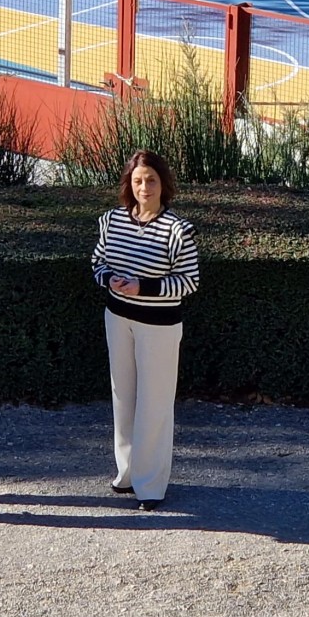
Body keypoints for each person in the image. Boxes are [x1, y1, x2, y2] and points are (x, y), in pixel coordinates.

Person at [92, 149, 199, 511]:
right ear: (129, 184)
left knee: (154, 404)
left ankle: (150, 485)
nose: (144, 187)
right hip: (118, 318)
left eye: (151, 180)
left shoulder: (178, 230)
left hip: (160, 327)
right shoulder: (111, 221)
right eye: (138, 181)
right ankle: (126, 473)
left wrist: (144, 287)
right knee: (123, 397)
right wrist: (109, 280)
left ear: (162, 183)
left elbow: (189, 281)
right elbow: (98, 261)